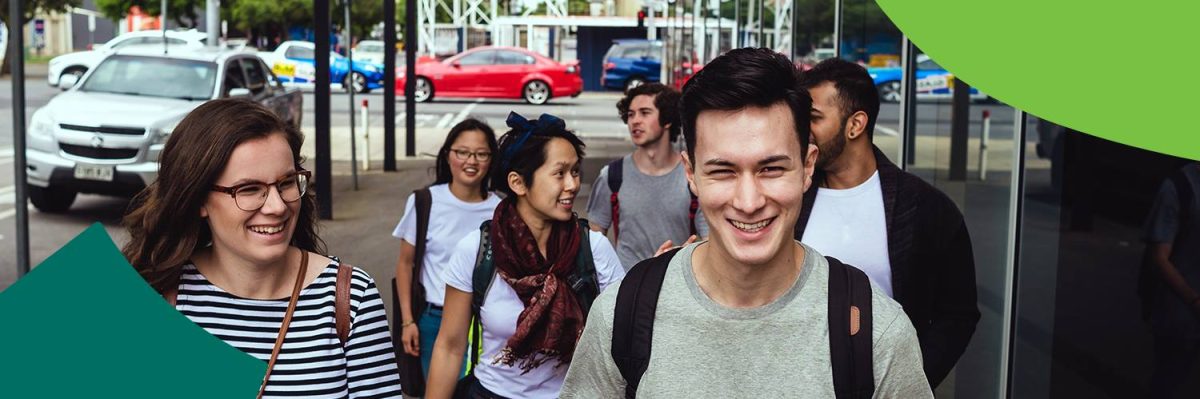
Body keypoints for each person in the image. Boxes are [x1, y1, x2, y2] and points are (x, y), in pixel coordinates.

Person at [560, 48, 931, 397]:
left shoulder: (873, 332)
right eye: (723, 171)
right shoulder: (621, 315)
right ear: (691, 174)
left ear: (807, 167)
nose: (749, 202)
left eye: (771, 168)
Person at [122, 99, 402, 399]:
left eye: (286, 183)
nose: (277, 206)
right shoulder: (157, 294)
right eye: (249, 189)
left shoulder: (349, 298)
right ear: (199, 199)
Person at [794, 58, 980, 387]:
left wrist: (912, 380)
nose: (802, 130)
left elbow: (958, 314)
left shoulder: (926, 208)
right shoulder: (791, 196)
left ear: (855, 125)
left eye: (814, 118)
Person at [424, 112, 626, 399]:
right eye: (560, 173)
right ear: (518, 183)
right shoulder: (478, 250)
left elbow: (623, 337)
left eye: (575, 171)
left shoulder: (592, 250)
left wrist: (650, 282)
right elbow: (450, 345)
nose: (572, 185)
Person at [392, 119, 501, 379]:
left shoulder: (501, 210)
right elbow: (405, 264)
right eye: (462, 152)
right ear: (448, 154)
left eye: (481, 154)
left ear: (491, 159)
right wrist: (408, 321)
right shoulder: (424, 202)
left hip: (485, 324)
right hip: (433, 321)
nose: (471, 161)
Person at [586, 83, 709, 269]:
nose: (635, 121)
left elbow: (711, 242)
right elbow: (593, 244)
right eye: (630, 114)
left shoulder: (691, 177)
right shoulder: (612, 176)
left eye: (644, 113)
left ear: (667, 120)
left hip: (674, 283)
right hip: (626, 288)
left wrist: (688, 255)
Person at [1142, 162, 1200, 398]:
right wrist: (1194, 300)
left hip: (1184, 314)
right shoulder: (1179, 187)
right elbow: (1159, 258)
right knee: (1171, 380)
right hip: (1180, 318)